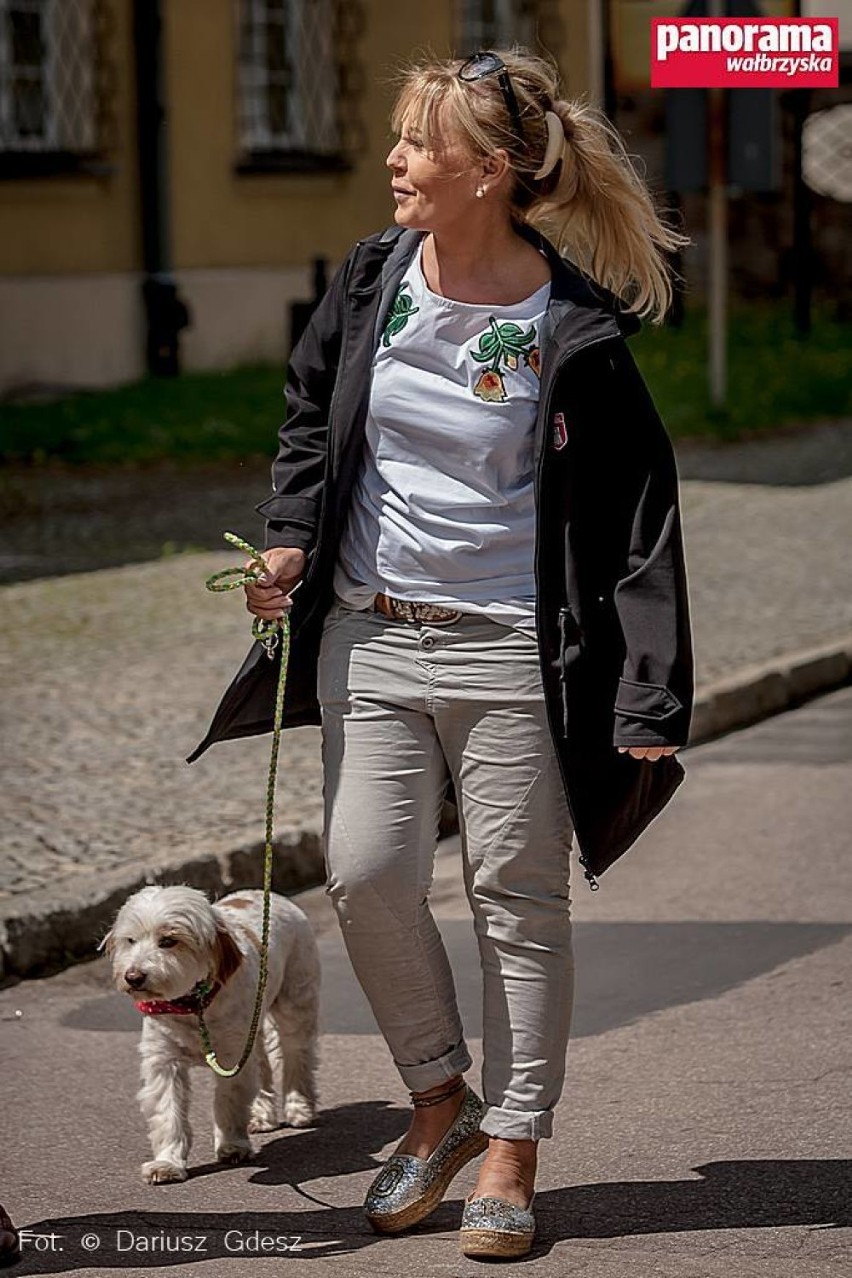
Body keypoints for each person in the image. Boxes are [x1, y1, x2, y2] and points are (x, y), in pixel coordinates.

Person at [190, 47, 694, 1260]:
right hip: (370, 636)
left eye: (419, 142)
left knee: (516, 903)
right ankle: (440, 1099)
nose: (394, 161)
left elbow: (641, 512)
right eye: (399, 138)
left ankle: (513, 1146)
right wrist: (294, 539)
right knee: (364, 874)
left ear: (495, 170)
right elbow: (311, 414)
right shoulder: (375, 278)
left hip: (517, 654)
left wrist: (651, 690)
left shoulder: (571, 325)